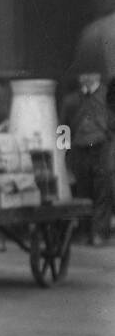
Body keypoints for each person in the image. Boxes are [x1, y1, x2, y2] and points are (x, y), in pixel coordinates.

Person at [59, 68, 114, 245]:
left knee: (103, 191)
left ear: (98, 74)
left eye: (91, 71)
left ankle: (99, 233)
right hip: (79, 150)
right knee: (82, 191)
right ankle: (83, 233)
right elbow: (63, 128)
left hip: (102, 148)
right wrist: (63, 154)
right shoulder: (71, 100)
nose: (86, 76)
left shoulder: (108, 96)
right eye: (83, 72)